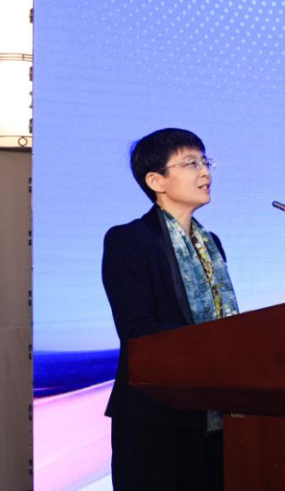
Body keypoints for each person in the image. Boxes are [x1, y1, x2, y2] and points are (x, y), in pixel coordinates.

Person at [101, 128, 239, 491]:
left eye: (205, 162)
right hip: (156, 417)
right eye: (191, 163)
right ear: (156, 181)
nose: (205, 172)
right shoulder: (128, 240)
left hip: (215, 413)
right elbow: (137, 330)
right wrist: (213, 344)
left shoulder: (211, 244)